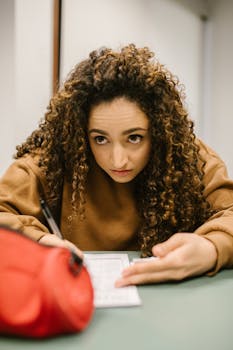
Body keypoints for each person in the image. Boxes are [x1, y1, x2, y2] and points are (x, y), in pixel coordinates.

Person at [1, 44, 233, 286]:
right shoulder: (51, 161)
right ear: (81, 132)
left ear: (158, 131)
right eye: (100, 139)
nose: (118, 160)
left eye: (134, 137)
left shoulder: (187, 158)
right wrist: (36, 240)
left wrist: (212, 246)